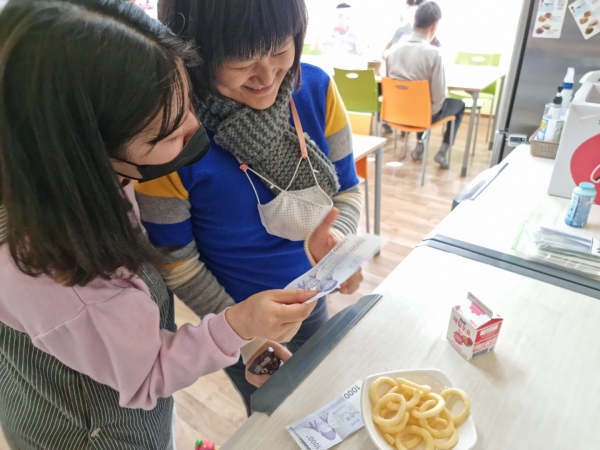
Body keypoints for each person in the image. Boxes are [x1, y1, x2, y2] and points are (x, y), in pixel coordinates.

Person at [0, 0, 317, 448]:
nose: (193, 126)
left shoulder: (73, 175)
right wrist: (239, 325)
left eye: (186, 103)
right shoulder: (57, 274)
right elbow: (148, 372)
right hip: (98, 433)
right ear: (87, 155)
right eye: (166, 134)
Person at [142, 0, 364, 415]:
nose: (267, 77)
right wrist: (247, 336)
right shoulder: (171, 134)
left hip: (310, 296)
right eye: (242, 61)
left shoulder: (315, 90)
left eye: (280, 49)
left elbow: (347, 191)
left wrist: (338, 244)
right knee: (270, 417)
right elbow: (177, 263)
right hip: (235, 317)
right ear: (195, 54)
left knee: (324, 402)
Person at [384, 1, 465, 169]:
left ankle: (419, 145)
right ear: (434, 26)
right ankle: (442, 151)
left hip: (396, 112)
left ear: (415, 22)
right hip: (422, 114)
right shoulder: (434, 54)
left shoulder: (393, 51)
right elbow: (439, 97)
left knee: (422, 101)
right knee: (457, 105)